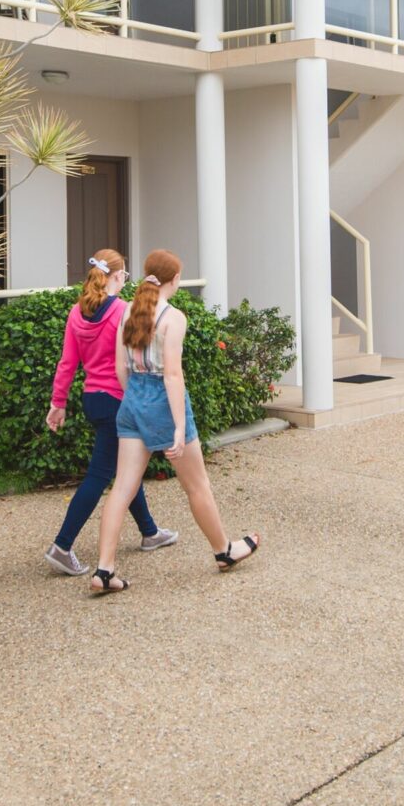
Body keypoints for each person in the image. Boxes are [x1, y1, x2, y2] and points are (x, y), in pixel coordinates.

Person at [86, 249, 260, 595]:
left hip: (132, 401)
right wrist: (178, 428)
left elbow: (121, 368)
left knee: (122, 487)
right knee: (197, 485)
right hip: (163, 404)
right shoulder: (172, 318)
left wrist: (136, 400)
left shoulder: (127, 313)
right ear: (175, 280)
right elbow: (172, 376)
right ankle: (223, 551)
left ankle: (104, 570)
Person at [42, 250, 176, 576]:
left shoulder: (77, 312)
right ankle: (62, 545)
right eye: (125, 276)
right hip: (118, 399)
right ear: (118, 276)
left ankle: (149, 532)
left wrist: (58, 403)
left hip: (92, 399)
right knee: (101, 474)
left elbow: (67, 363)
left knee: (125, 468)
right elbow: (135, 359)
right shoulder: (123, 311)